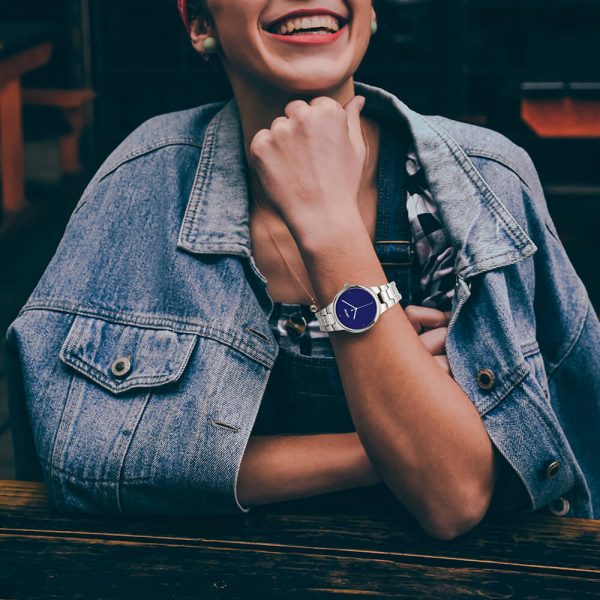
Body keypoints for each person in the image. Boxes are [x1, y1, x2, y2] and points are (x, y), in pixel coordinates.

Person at [5, 0, 600, 541]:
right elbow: (82, 461)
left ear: (368, 12)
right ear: (198, 22)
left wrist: (331, 230)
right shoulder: (141, 181)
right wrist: (390, 448)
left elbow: (451, 498)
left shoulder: (487, 182)